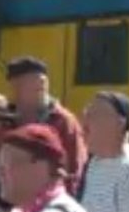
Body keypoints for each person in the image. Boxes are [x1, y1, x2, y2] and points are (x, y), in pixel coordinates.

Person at [6, 57, 87, 185]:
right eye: (33, 83)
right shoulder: (6, 120)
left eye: (43, 82)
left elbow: (75, 171)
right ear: (14, 87)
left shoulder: (63, 122)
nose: (41, 87)